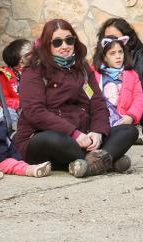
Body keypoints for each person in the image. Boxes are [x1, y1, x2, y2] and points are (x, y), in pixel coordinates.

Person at [13, 19, 136, 178]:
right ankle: (107, 159)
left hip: (85, 137)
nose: (64, 46)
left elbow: (98, 104)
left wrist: (98, 133)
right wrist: (74, 134)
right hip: (49, 136)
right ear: (47, 44)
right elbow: (35, 112)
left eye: (69, 40)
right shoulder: (34, 70)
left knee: (128, 130)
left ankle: (90, 164)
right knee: (53, 140)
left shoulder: (82, 67)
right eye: (57, 42)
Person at [96, 18, 143, 142]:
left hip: (132, 106)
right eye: (108, 37)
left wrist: (131, 116)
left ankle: (136, 127)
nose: (112, 40)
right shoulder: (97, 69)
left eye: (115, 37)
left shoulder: (140, 55)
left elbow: (138, 91)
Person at [89, 35, 143, 143]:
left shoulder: (132, 75)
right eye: (112, 53)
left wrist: (131, 116)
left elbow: (139, 98)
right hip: (101, 119)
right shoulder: (94, 74)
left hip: (123, 119)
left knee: (129, 131)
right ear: (104, 57)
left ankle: (132, 131)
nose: (118, 56)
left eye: (120, 52)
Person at [0, 38, 32, 111]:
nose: (35, 54)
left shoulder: (36, 70)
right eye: (29, 53)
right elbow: (3, 100)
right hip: (20, 111)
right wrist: (24, 104)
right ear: (20, 59)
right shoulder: (4, 75)